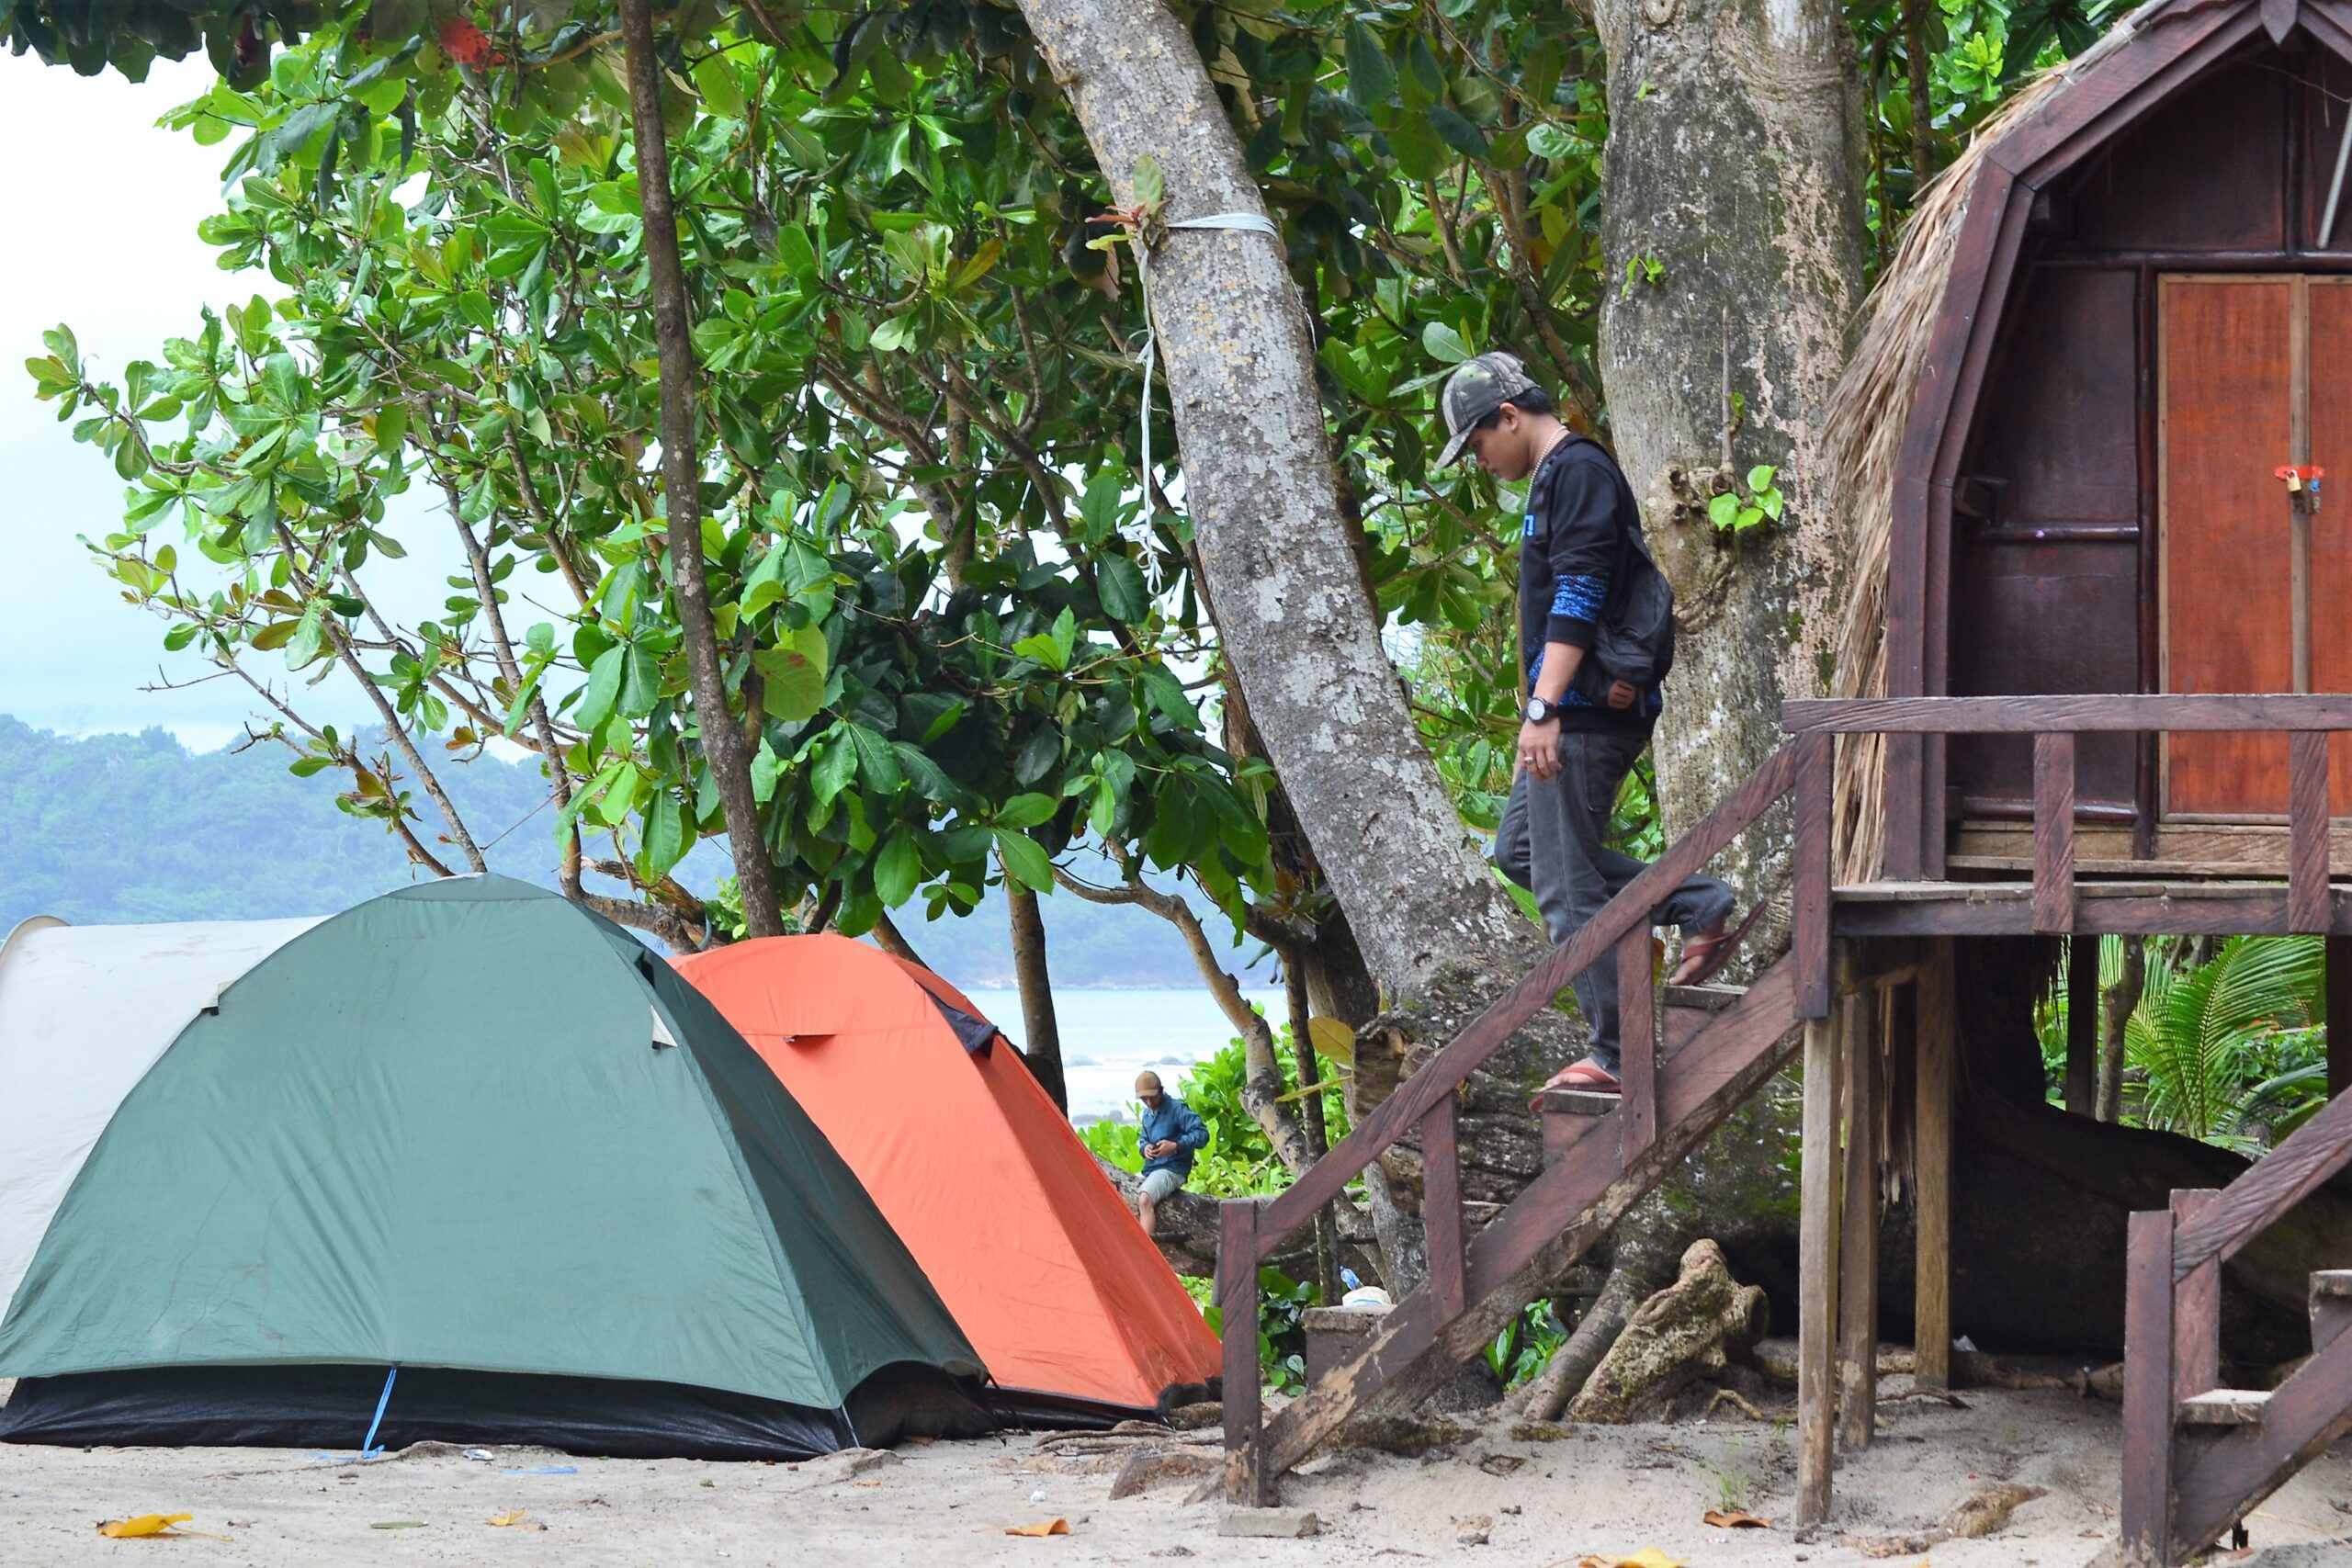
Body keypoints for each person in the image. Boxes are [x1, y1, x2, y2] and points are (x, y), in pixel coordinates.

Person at [1437, 351, 1753, 1095]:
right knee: (1520, 850)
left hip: (1581, 716)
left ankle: (1617, 1052)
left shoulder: (1576, 470)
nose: (1480, 461)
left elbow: (1576, 592)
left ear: (1508, 416)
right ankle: (1697, 903)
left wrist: (1542, 709)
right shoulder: (1557, 477)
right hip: (1569, 713)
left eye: (1478, 444)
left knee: (1566, 889)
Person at [1131, 1070, 1207, 1238]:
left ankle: (1144, 1250)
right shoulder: (1147, 1114)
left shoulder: (1177, 1109)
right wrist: (1145, 1149)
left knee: (1145, 1200)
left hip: (1174, 1167)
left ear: (1161, 1090)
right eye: (1144, 1099)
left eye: (1153, 1097)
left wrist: (1175, 1145)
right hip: (1152, 1168)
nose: (1149, 1102)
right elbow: (1143, 1140)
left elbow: (1203, 1135)